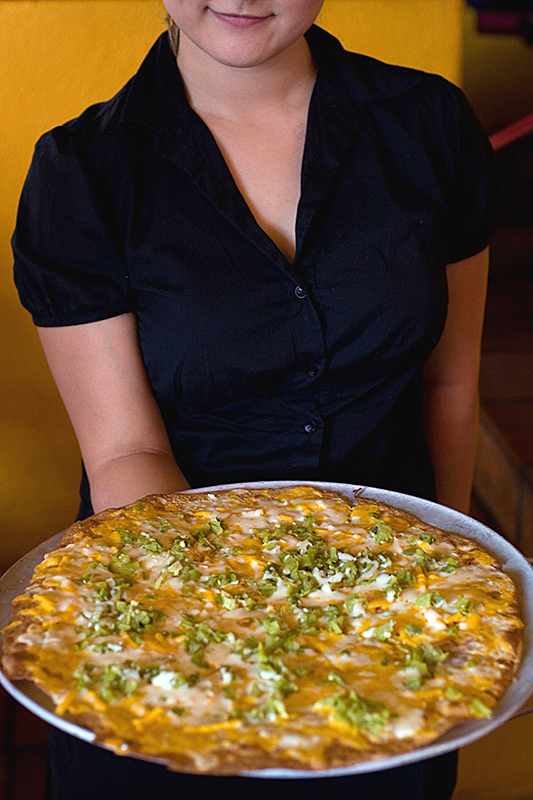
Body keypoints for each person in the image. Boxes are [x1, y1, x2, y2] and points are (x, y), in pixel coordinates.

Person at [12, 2, 497, 798]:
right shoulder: (83, 170)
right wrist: (236, 632)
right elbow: (124, 450)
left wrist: (446, 584)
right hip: (173, 619)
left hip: (395, 623)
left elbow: (448, 384)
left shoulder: (428, 123)